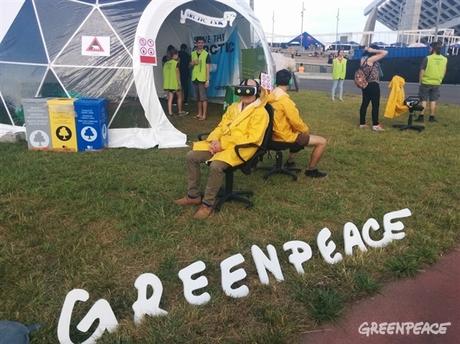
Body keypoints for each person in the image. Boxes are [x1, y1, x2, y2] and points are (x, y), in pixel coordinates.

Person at [175, 79, 269, 219]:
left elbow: (252, 138)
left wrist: (223, 145)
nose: (245, 92)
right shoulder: (233, 108)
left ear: (257, 91)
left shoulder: (260, 113)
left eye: (249, 88)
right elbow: (221, 126)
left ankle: (207, 204)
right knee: (191, 156)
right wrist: (214, 140)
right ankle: (193, 196)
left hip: (240, 149)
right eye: (242, 88)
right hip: (219, 145)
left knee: (216, 166)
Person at [267, 69, 328, 178]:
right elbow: (296, 122)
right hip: (282, 137)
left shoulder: (269, 97)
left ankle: (290, 162)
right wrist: (306, 130)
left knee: (297, 133)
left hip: (271, 136)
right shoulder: (285, 101)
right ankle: (311, 170)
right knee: (321, 141)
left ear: (275, 80)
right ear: (290, 82)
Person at [415, 42, 448, 123]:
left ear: (433, 49)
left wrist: (420, 81)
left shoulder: (428, 58)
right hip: (436, 82)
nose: (429, 49)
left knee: (424, 99)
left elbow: (422, 70)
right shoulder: (444, 59)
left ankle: (421, 116)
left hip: (426, 81)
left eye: (430, 48)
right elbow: (444, 71)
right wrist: (440, 79)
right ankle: (432, 117)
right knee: (433, 100)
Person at [359, 45, 388, 131]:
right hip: (373, 84)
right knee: (375, 105)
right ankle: (375, 125)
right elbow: (385, 52)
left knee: (364, 104)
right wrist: (372, 50)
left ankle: (362, 123)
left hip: (365, 84)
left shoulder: (363, 59)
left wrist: (370, 51)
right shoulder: (371, 59)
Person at [190, 37, 211, 121]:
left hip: (202, 79)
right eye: (199, 42)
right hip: (195, 78)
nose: (200, 44)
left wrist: (207, 80)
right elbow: (189, 66)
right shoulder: (193, 54)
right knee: (198, 98)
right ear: (196, 44)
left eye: (202, 43)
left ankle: (204, 115)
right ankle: (199, 114)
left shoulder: (206, 54)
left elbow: (208, 68)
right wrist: (192, 63)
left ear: (204, 44)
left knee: (203, 98)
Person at [162, 47, 187, 116]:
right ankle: (180, 111)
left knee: (170, 98)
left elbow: (164, 74)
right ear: (174, 55)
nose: (178, 56)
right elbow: (177, 74)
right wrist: (179, 84)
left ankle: (170, 112)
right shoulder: (176, 63)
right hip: (175, 84)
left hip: (169, 85)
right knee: (180, 97)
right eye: (177, 54)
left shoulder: (166, 64)